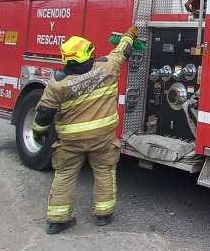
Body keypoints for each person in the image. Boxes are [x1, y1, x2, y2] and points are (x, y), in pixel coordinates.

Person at [32, 27, 138, 234]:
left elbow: (44, 114)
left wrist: (38, 132)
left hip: (70, 140)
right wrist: (130, 35)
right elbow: (122, 50)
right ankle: (103, 214)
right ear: (89, 53)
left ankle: (58, 220)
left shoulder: (58, 84)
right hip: (102, 137)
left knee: (65, 174)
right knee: (104, 172)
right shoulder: (107, 68)